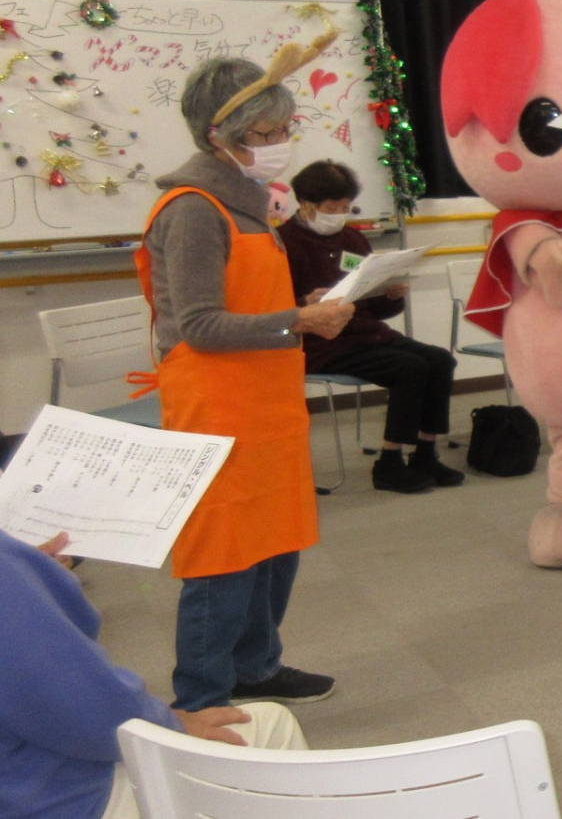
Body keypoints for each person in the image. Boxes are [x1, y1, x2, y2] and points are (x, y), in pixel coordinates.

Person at [137, 50, 352, 712]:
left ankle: (256, 667)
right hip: (217, 406)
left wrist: (304, 305)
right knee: (225, 554)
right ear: (218, 137)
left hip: (265, 399)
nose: (281, 143)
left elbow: (247, 303)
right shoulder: (195, 208)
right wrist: (299, 320)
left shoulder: (247, 203)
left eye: (285, 129)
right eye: (266, 133)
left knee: (276, 544)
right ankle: (202, 697)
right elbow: (201, 325)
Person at [0, 529, 307, 819]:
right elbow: (92, 712)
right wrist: (170, 726)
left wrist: (29, 576)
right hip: (52, 802)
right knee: (272, 723)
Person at [280, 161, 463, 495]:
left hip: (366, 335)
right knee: (409, 368)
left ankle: (426, 453)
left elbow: (375, 309)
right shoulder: (283, 244)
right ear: (305, 204)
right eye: (331, 208)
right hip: (320, 342)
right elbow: (272, 307)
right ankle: (389, 463)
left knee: (440, 360)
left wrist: (391, 294)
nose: (339, 215)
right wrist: (304, 302)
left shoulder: (352, 239)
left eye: (346, 208)